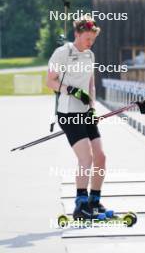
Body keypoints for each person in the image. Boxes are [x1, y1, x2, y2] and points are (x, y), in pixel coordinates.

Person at [47, 16, 111, 220]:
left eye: (92, 40)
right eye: (86, 39)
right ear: (77, 34)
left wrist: (92, 107)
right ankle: (80, 205)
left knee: (101, 157)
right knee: (86, 158)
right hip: (68, 113)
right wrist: (71, 90)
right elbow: (50, 81)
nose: (89, 43)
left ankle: (94, 200)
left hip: (85, 112)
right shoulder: (62, 53)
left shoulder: (90, 55)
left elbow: (91, 84)